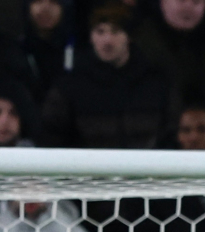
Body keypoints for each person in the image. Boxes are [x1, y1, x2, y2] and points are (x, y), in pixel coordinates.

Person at [40, 3, 169, 150]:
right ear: (91, 37)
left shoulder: (153, 82)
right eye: (100, 31)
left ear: (129, 37)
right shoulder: (70, 86)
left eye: (116, 31)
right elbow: (51, 137)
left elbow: (168, 132)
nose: (107, 40)